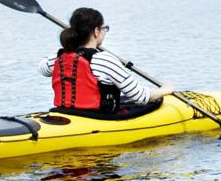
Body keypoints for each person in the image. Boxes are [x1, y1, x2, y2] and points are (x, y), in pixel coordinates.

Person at [43, 7, 173, 120]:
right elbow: (140, 96)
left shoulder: (58, 58)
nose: (105, 32)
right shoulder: (104, 60)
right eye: (105, 28)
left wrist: (68, 49)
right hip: (96, 118)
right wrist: (164, 90)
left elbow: (43, 68)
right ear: (96, 31)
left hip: (66, 113)